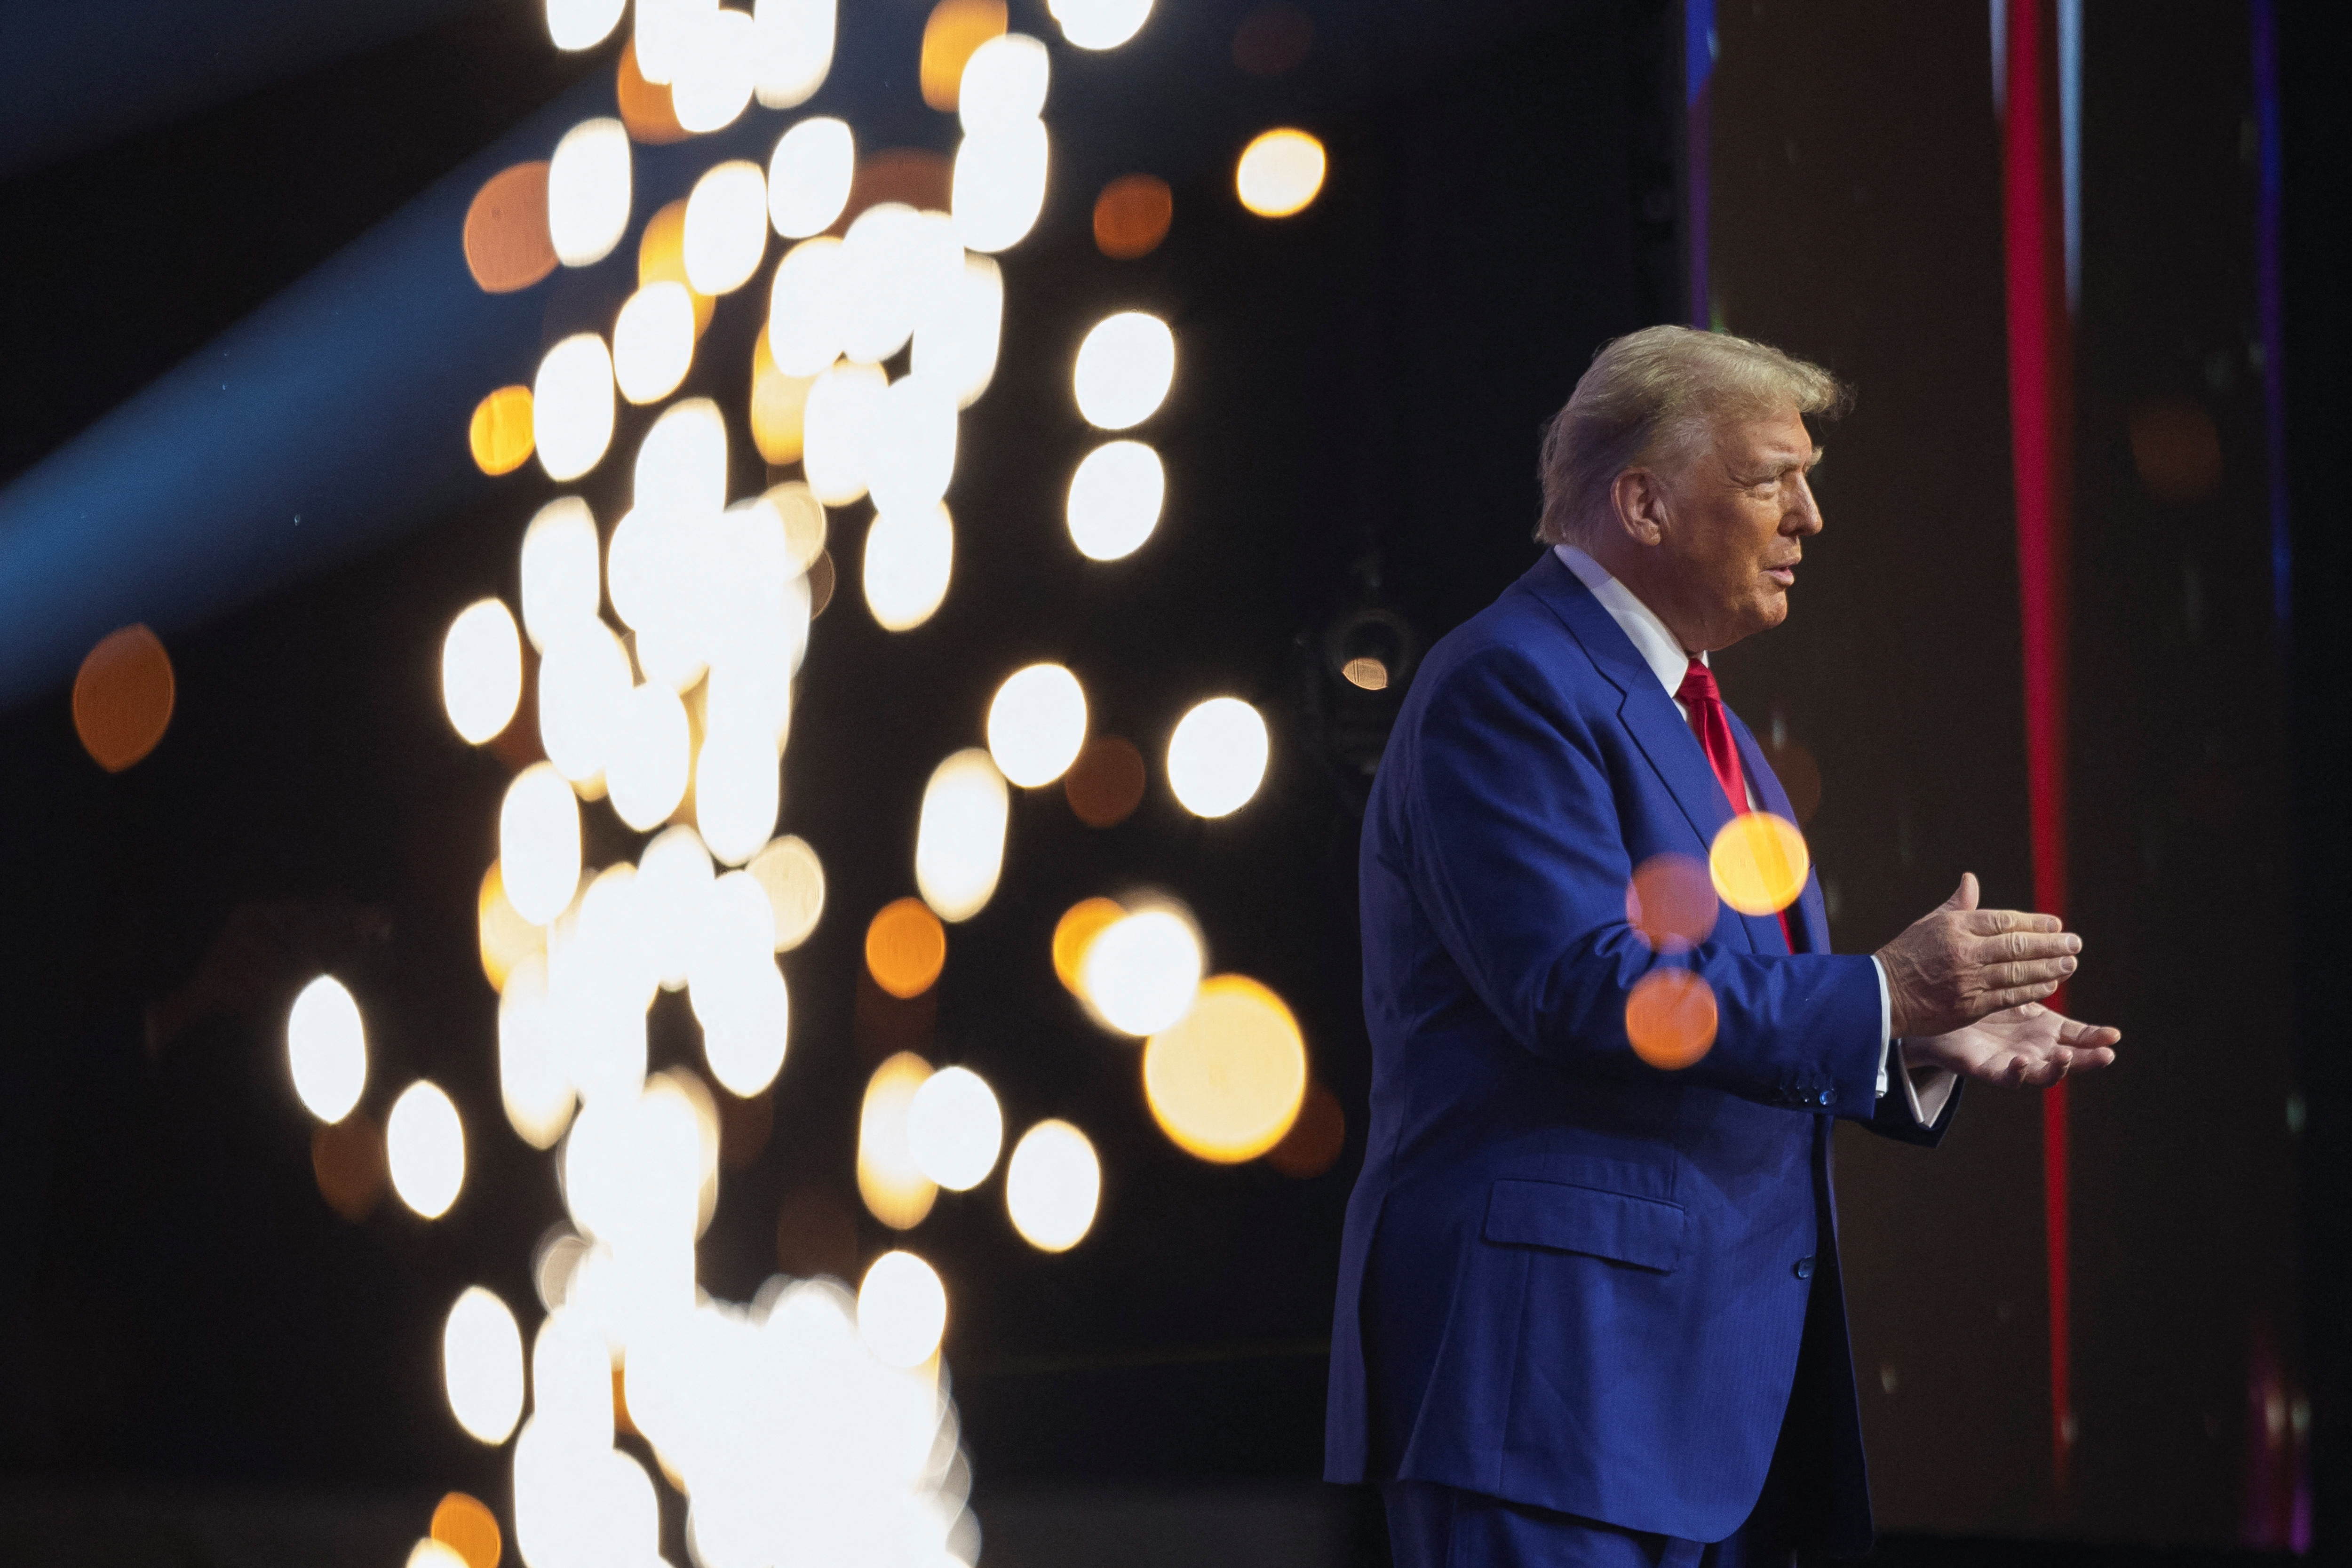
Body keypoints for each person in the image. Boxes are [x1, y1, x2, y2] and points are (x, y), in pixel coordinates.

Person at [1323, 325, 2121, 1567]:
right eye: (1770, 480)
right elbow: (1580, 988)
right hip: (1557, 1390)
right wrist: (1875, 993)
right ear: (1641, 501)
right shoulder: (1507, 684)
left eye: (1808, 480)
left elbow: (1745, 1004)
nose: (1808, 517)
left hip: (1700, 1401)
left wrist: (1911, 1028)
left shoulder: (1717, 729)